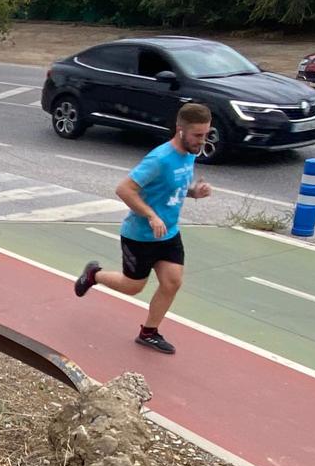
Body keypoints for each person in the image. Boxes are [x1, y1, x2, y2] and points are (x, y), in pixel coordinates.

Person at [73, 102, 213, 354]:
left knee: (172, 282)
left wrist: (194, 193)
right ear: (180, 129)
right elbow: (124, 189)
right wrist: (151, 215)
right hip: (139, 235)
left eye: (206, 134)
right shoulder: (159, 159)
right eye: (197, 135)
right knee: (133, 287)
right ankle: (94, 275)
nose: (202, 141)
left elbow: (172, 190)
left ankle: (149, 332)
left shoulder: (190, 154)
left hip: (168, 233)